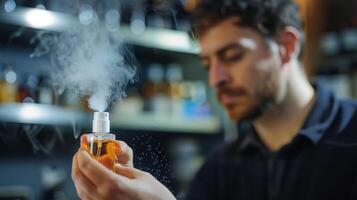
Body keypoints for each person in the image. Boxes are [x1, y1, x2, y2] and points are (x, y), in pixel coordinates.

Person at [72, 0, 357, 199]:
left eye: (232, 56)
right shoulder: (219, 170)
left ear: (286, 46)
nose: (215, 79)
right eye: (208, 64)